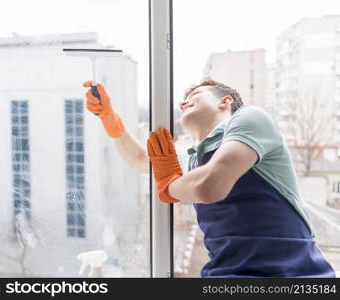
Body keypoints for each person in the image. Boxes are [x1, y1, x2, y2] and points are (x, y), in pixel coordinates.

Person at [83, 78, 336, 278]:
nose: (183, 103)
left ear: (225, 101)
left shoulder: (250, 119)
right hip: (226, 274)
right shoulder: (194, 160)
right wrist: (110, 119)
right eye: (182, 101)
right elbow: (140, 160)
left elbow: (210, 186)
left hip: (291, 274)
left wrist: (169, 183)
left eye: (194, 96)